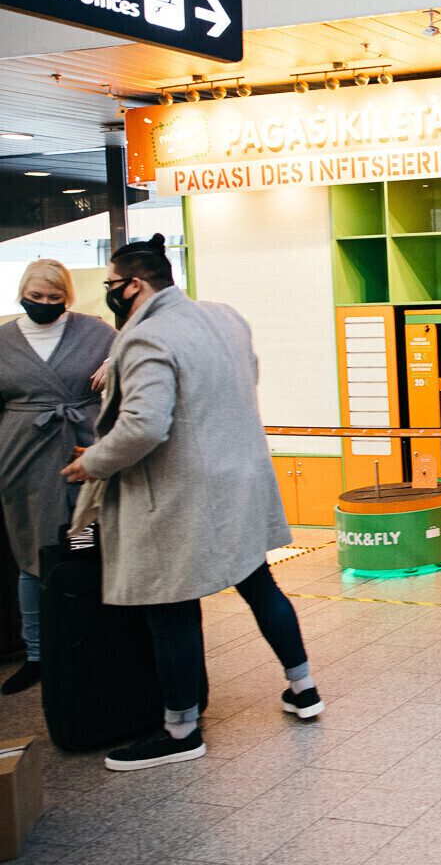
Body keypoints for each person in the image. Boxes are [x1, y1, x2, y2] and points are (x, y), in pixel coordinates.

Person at [61, 235, 321, 771]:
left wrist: (95, 462)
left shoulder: (145, 337)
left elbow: (144, 426)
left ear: (134, 284)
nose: (110, 292)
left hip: (178, 495)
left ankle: (181, 731)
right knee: (259, 584)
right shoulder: (224, 316)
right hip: (238, 479)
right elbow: (234, 385)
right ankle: (304, 689)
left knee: (170, 607)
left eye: (112, 284)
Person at [0, 261, 116, 695]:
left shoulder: (97, 332)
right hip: (23, 459)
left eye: (55, 298)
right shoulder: (3, 340)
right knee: (32, 558)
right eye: (36, 297)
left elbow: (143, 353)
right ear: (21, 293)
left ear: (68, 297)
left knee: (84, 549)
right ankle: (37, 655)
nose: (45, 304)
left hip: (82, 454)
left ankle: (89, 644)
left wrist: (116, 360)